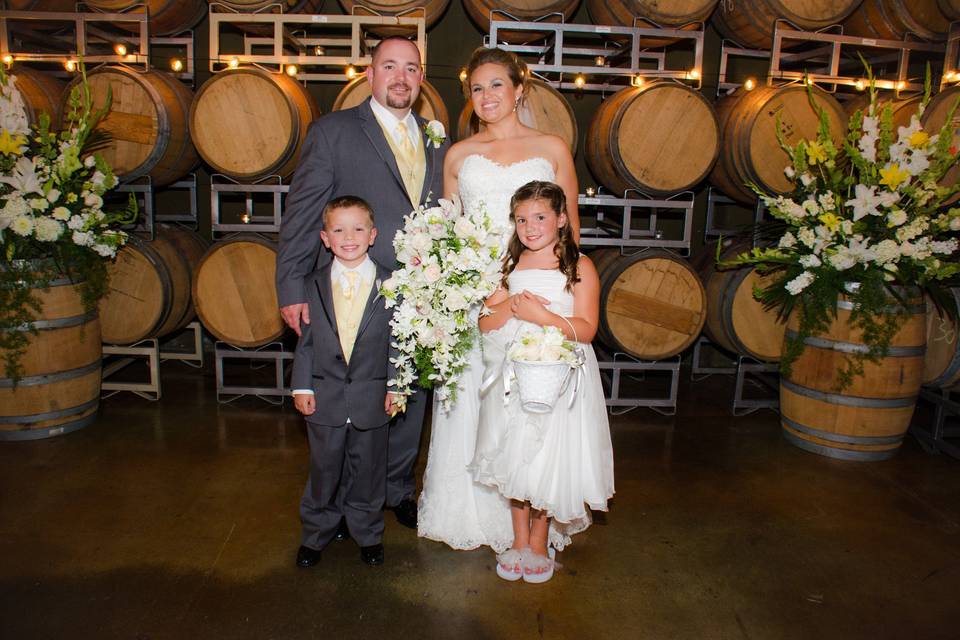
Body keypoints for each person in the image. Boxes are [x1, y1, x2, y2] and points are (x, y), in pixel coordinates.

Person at [277, 36, 448, 531]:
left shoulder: (436, 138)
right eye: (389, 66)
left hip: (423, 291)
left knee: (410, 392)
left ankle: (396, 489)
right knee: (354, 397)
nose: (400, 77)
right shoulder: (333, 133)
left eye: (411, 68)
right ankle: (344, 498)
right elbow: (303, 214)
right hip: (359, 291)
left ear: (421, 77)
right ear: (369, 74)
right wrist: (291, 287)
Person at [416, 46, 580, 553]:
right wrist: (457, 286)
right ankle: (472, 510)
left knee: (529, 409)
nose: (486, 96)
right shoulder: (459, 155)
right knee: (473, 398)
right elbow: (446, 229)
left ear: (519, 90)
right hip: (476, 295)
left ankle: (532, 522)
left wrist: (552, 297)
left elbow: (569, 227)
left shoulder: (552, 147)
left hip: (533, 291)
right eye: (477, 88)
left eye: (496, 85)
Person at [473, 181, 615, 583]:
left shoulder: (578, 266)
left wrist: (544, 318)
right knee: (516, 455)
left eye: (540, 217)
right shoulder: (511, 267)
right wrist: (512, 307)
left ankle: (540, 541)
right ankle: (518, 538)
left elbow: (587, 329)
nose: (530, 227)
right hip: (516, 375)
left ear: (561, 219)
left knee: (549, 457)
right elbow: (485, 322)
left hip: (561, 374)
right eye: (521, 219)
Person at [291, 196, 402, 568]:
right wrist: (302, 386)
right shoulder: (311, 284)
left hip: (373, 395)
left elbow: (401, 339)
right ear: (325, 238)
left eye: (358, 228)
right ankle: (317, 532)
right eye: (338, 229)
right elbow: (305, 342)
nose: (348, 236)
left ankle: (367, 532)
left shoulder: (393, 283)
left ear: (373, 235)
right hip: (325, 396)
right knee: (324, 469)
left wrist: (397, 384)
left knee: (369, 470)